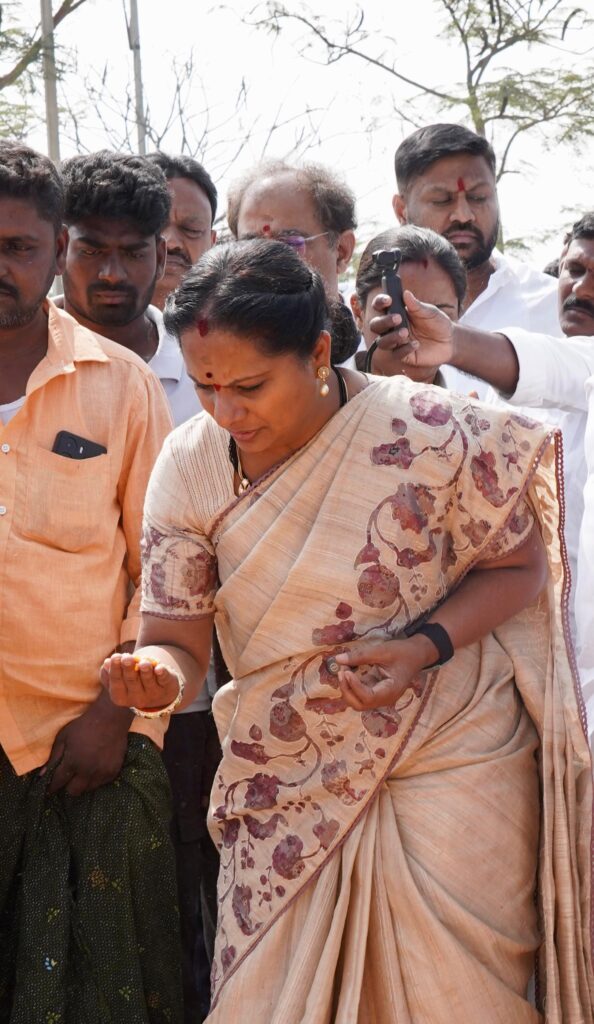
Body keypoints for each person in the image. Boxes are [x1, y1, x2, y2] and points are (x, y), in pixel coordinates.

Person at [102, 239, 592, 1023]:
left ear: (321, 351)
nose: (227, 412)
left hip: (453, 764)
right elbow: (178, 638)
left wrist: (421, 646)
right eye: (205, 387)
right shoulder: (191, 463)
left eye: (250, 386)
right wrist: (156, 671)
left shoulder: (434, 431)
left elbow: (520, 569)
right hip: (285, 782)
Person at [0, 143, 182, 1021]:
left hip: (83, 754)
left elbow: (169, 573)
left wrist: (120, 716)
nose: (1, 265)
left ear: (53, 246)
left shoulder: (124, 387)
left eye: (19, 247)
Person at [60, 148, 218, 1022]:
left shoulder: (209, 362)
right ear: (59, 248)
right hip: (41, 701)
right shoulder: (25, 364)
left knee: (178, 902)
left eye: (135, 250)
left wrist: (131, 705)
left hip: (184, 701)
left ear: (169, 253)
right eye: (91, 249)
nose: (112, 273)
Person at [393, 123, 561, 396]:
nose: (464, 214)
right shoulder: (373, 312)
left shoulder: (551, 307)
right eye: (442, 200)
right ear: (401, 210)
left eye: (478, 197)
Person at [227, 157, 360, 363]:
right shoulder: (211, 360)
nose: (266, 262)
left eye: (288, 244)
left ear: (342, 251)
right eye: (251, 246)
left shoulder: (378, 357)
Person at [351, 224, 466, 383]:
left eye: (438, 315)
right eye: (394, 312)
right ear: (358, 312)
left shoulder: (470, 405)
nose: (413, 336)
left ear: (459, 315)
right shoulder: (318, 399)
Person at [147, 151, 217, 312]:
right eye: (156, 226)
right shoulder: (81, 331)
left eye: (191, 229)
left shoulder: (239, 329)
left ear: (213, 243)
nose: (171, 243)